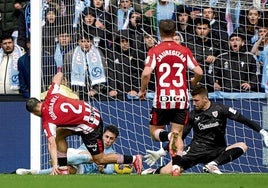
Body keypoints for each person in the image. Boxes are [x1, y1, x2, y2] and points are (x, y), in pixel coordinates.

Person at [25, 72, 142, 175]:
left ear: (34, 113)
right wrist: (59, 71)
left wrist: (54, 164)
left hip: (91, 126)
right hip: (90, 113)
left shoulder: (48, 120)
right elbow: (59, 76)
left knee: (99, 160)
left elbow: (51, 144)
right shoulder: (51, 94)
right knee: (59, 134)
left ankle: (133, 159)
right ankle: (64, 168)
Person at [142, 85, 268, 175]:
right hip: (195, 151)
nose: (194, 103)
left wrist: (262, 132)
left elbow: (244, 119)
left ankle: (212, 165)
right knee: (167, 172)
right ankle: (152, 172)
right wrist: (162, 151)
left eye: (196, 100)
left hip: (216, 151)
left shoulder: (220, 109)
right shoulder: (192, 115)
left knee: (242, 146)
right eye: (192, 101)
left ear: (205, 99)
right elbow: (181, 135)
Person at [138, 19, 203, 176]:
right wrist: (193, 82)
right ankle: (175, 167)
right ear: (175, 33)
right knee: (178, 134)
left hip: (163, 97)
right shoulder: (184, 50)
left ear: (159, 33)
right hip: (181, 97)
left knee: (154, 131)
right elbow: (199, 72)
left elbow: (146, 73)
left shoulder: (155, 50)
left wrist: (142, 90)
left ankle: (168, 136)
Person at [16, 125, 121, 175]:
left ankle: (34, 172)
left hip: (83, 169)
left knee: (65, 169)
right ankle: (59, 161)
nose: (108, 140)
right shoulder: (93, 141)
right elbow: (81, 152)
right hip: (74, 155)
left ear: (114, 141)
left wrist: (102, 169)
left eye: (111, 138)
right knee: (84, 156)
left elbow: (110, 170)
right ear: (102, 135)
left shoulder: (111, 153)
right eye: (106, 137)